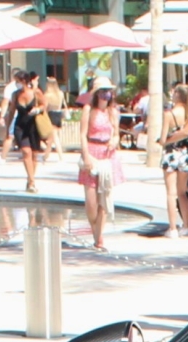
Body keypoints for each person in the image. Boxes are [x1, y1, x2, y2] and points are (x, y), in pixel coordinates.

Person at [79, 83, 122, 251]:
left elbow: (117, 133)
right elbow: (82, 134)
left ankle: (99, 237)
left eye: (109, 91)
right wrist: (86, 156)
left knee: (104, 196)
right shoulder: (88, 110)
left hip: (107, 154)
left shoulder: (113, 111)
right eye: (103, 91)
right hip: (92, 150)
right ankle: (94, 230)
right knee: (91, 201)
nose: (106, 94)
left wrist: (115, 141)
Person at [159, 83, 188, 237]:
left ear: (177, 95)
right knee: (182, 192)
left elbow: (163, 139)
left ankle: (173, 228)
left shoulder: (169, 114)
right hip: (185, 153)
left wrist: (164, 140)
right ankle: (186, 225)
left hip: (171, 153)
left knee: (171, 193)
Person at [9, 76, 46, 193]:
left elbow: (44, 104)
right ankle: (32, 182)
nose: (17, 84)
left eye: (18, 81)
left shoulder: (36, 92)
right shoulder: (15, 94)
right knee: (26, 152)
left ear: (24, 81)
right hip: (20, 126)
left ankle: (30, 181)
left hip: (33, 126)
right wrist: (7, 128)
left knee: (34, 155)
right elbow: (11, 111)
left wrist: (38, 109)